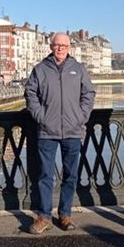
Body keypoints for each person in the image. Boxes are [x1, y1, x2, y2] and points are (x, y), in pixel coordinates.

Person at [24, 33, 96, 234]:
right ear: (51, 46)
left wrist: (81, 117)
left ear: (69, 47)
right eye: (57, 45)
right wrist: (41, 116)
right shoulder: (40, 69)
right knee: (45, 175)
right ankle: (44, 216)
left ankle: (65, 214)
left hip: (73, 130)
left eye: (63, 45)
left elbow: (89, 93)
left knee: (70, 175)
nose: (60, 48)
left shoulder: (79, 69)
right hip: (47, 131)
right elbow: (30, 93)